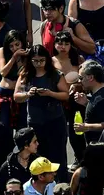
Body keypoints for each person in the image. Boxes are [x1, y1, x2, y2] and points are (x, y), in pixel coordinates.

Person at [15, 44, 71, 180]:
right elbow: (16, 96)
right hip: (35, 122)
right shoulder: (26, 74)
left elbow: (65, 94)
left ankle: (60, 182)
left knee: (58, 155)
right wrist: (28, 94)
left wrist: (50, 93)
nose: (38, 64)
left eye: (41, 60)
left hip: (55, 120)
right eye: (35, 61)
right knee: (39, 155)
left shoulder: (54, 75)